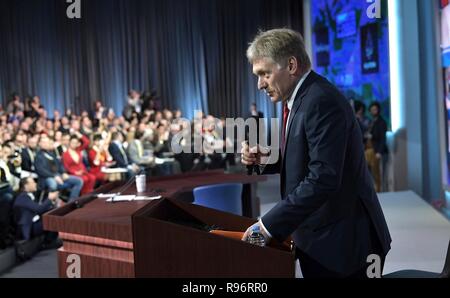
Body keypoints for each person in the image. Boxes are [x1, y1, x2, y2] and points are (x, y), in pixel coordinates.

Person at [241, 29, 391, 278]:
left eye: (264, 74)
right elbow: (307, 155)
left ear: (291, 65)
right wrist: (265, 158)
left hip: (346, 244)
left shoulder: (320, 101)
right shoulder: (301, 97)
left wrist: (268, 226)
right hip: (325, 237)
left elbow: (323, 177)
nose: (259, 84)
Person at [35, 135, 83, 201]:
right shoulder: (38, 156)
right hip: (46, 178)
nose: (46, 144)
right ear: (39, 144)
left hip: (58, 175)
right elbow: (41, 171)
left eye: (47, 142)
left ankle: (71, 201)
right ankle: (51, 204)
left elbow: (60, 164)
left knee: (78, 181)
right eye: (44, 142)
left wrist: (63, 172)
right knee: (53, 184)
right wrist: (54, 176)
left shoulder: (51, 154)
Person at [366, 101, 389, 192]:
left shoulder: (381, 122)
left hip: (377, 151)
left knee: (378, 173)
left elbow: (383, 138)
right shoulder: (372, 121)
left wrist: (379, 152)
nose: (373, 111)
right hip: (370, 150)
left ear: (378, 110)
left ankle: (379, 191)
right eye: (372, 110)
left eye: (375, 109)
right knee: (371, 172)